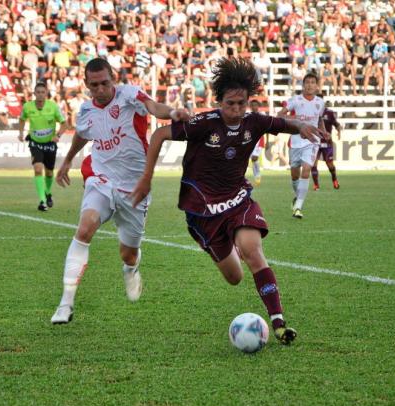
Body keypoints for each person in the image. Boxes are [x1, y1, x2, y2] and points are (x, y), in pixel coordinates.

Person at [131, 57, 328, 344]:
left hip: (237, 200)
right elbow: (160, 134)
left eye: (242, 104)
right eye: (230, 104)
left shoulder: (254, 122)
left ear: (248, 102)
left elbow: (282, 122)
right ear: (218, 101)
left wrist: (301, 126)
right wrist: (147, 177)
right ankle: (226, 244)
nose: (236, 110)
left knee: (253, 251)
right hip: (202, 212)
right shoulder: (204, 124)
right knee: (235, 277)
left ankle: (279, 324)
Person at [50, 58, 190, 324]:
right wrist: (68, 160)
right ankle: (65, 303)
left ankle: (131, 268)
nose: (101, 89)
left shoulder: (128, 95)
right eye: (95, 85)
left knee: (128, 252)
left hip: (135, 187)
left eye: (105, 83)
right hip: (101, 178)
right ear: (87, 85)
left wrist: (172, 113)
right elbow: (82, 133)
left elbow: (152, 107)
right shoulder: (87, 111)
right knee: (85, 228)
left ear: (113, 78)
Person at [278, 72, 326, 219]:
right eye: (307, 82)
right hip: (296, 141)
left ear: (317, 86)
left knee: (306, 169)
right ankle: (297, 197)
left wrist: (324, 132)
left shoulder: (320, 102)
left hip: (312, 141)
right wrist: (293, 119)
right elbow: (280, 115)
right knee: (294, 174)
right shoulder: (295, 100)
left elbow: (319, 120)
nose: (310, 85)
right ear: (303, 85)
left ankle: (298, 207)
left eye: (313, 82)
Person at [18, 82, 69, 211]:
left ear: (46, 94)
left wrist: (58, 135)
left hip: (50, 143)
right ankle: (42, 201)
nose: (40, 95)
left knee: (49, 172)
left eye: (43, 92)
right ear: (34, 94)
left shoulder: (53, 107)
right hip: (35, 143)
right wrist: (20, 133)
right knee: (38, 169)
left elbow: (64, 124)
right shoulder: (27, 107)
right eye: (38, 92)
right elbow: (22, 119)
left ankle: (47, 192)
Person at [312, 103, 342, 191]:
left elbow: (337, 124)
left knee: (330, 165)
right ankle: (316, 185)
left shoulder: (329, 113)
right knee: (313, 164)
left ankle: (335, 180)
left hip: (327, 143)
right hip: (315, 142)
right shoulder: (312, 113)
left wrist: (339, 132)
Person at [249, 100, 264, 187]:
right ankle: (256, 177)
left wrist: (267, 141)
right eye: (252, 105)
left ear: (258, 106)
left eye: (256, 105)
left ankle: (258, 176)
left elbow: (267, 129)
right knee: (253, 160)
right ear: (250, 106)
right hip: (250, 140)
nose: (254, 107)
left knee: (254, 158)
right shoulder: (248, 116)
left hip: (259, 140)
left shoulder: (262, 116)